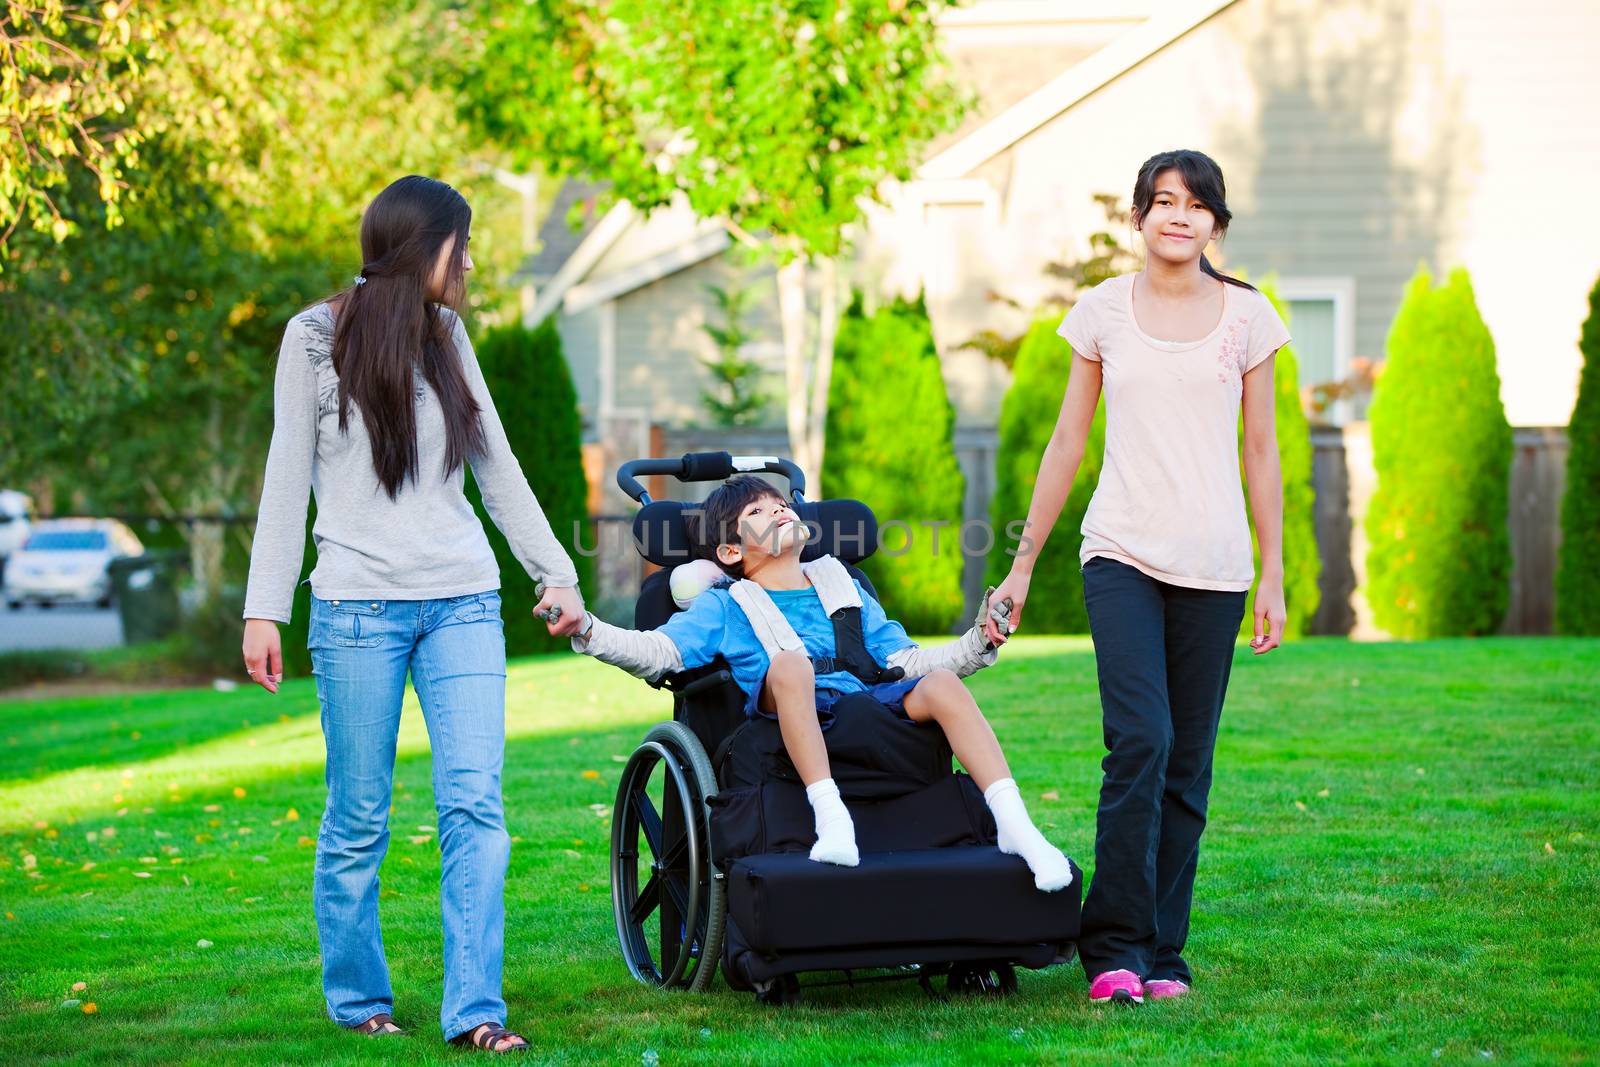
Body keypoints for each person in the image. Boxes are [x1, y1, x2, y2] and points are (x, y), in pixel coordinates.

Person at [240, 174, 585, 1053]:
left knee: (476, 805)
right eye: (459, 244)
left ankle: (477, 1010)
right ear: (418, 245)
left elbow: (497, 463)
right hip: (356, 608)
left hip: (463, 601)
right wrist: (263, 608)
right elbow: (286, 476)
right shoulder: (312, 338)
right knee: (359, 814)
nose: (467, 261)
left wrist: (557, 574)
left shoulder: (447, 336)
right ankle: (360, 999)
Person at [986, 149, 1290, 1005]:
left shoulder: (1248, 318)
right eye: (1162, 201)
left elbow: (1261, 451)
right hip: (1120, 552)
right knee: (1144, 740)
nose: (1178, 216)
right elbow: (1067, 443)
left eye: (1195, 205)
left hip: (1218, 565)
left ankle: (1164, 950)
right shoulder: (1101, 311)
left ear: (1217, 225)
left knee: (1187, 765)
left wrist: (1273, 572)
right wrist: (1021, 563)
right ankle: (1113, 945)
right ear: (1139, 218)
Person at [566, 474, 1074, 892]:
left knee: (940, 682)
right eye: (759, 514)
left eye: (782, 503)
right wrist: (588, 630)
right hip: (783, 730)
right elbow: (658, 652)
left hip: (866, 712)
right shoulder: (726, 605)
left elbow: (906, 660)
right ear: (729, 552)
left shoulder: (843, 584)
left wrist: (979, 641)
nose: (781, 511)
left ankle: (1016, 827)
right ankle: (832, 818)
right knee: (792, 665)